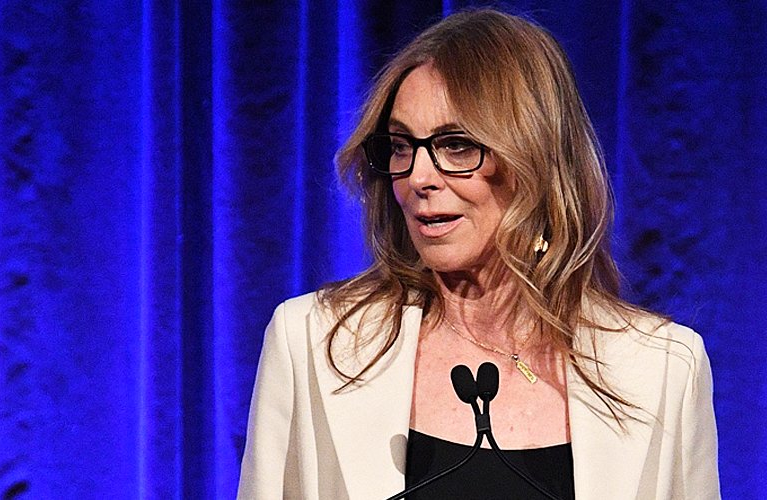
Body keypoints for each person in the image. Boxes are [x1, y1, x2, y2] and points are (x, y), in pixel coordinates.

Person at [237, 9, 719, 499]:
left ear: (535, 158)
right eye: (402, 146)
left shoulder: (662, 368)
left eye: (457, 145)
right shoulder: (313, 344)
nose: (418, 178)